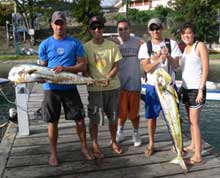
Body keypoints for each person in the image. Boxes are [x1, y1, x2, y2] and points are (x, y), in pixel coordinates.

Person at [38, 11, 94, 166]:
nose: (59, 26)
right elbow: (42, 68)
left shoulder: (75, 43)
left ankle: (84, 148)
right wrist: (39, 77)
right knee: (52, 121)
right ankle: (54, 153)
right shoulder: (45, 44)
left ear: (65, 24)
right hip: (51, 88)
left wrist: (65, 69)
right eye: (56, 23)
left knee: (80, 120)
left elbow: (82, 65)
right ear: (52, 25)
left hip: (70, 87)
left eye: (61, 23)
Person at [138, 18, 182, 157]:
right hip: (153, 87)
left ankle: (176, 144)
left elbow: (176, 66)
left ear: (162, 28)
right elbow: (146, 68)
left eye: (158, 28)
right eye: (153, 28)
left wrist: (167, 56)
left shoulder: (171, 43)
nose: (156, 31)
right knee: (151, 117)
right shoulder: (145, 47)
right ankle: (151, 143)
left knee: (174, 117)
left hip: (169, 86)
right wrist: (157, 59)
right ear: (149, 31)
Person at [83, 16, 123, 159]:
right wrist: (89, 78)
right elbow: (84, 68)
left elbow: (117, 66)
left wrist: (108, 77)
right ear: (90, 30)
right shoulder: (85, 47)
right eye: (94, 27)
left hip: (112, 87)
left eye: (99, 27)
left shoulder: (112, 46)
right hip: (95, 89)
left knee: (113, 118)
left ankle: (113, 142)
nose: (97, 30)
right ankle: (94, 144)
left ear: (103, 29)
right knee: (94, 119)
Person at [180, 22, 209, 165]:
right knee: (190, 122)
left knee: (194, 123)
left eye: (189, 32)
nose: (187, 35)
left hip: (196, 90)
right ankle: (192, 145)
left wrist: (201, 90)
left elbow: (205, 69)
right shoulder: (185, 48)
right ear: (181, 35)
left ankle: (198, 155)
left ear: (193, 34)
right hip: (185, 89)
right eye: (184, 33)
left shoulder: (200, 46)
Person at [113, 19, 142, 147]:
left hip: (134, 82)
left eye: (125, 28)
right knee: (121, 111)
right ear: (117, 31)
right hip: (119, 82)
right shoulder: (114, 42)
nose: (123, 31)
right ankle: (120, 131)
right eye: (120, 29)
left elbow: (151, 47)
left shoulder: (138, 42)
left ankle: (135, 133)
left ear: (130, 29)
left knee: (134, 112)